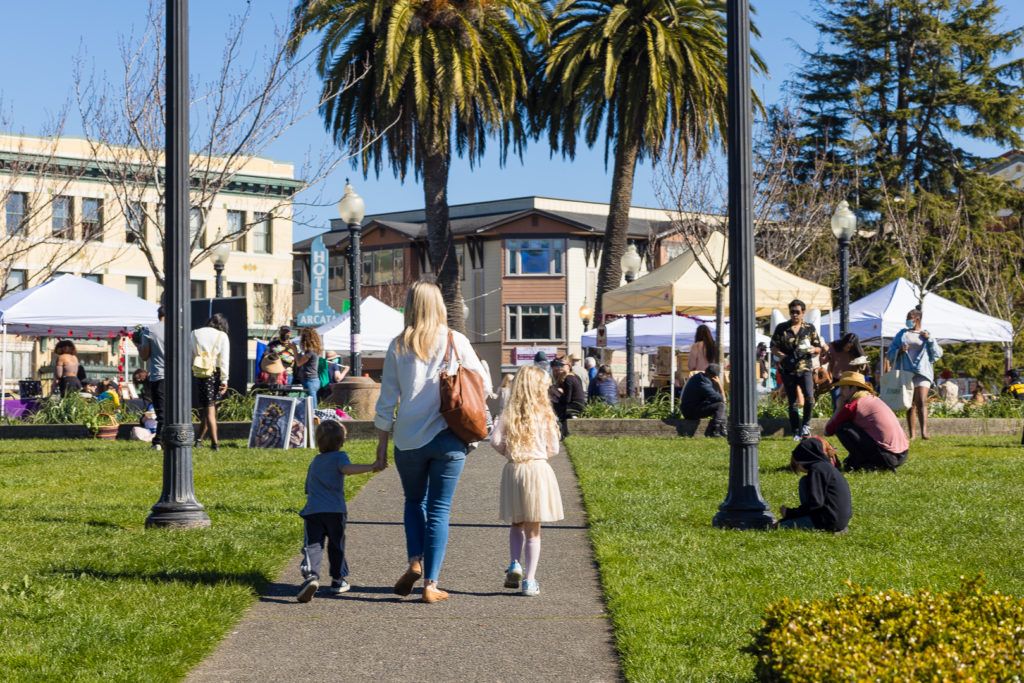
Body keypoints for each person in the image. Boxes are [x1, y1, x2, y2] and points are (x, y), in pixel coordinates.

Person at [373, 281, 491, 604]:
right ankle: (430, 584)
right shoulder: (456, 340)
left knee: (414, 502)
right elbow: (484, 384)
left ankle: (414, 559)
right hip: (449, 439)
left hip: (408, 439)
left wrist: (381, 446)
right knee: (440, 509)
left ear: (410, 306)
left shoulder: (398, 345)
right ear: (439, 305)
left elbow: (386, 402)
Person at [490, 365, 565, 597]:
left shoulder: (508, 414)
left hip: (514, 470)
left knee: (516, 523)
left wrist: (509, 453)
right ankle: (530, 581)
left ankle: (514, 563)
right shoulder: (545, 415)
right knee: (534, 530)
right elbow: (553, 448)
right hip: (537, 471)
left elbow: (495, 440)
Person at [296, 421, 381, 603]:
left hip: (313, 512)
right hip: (335, 511)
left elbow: (308, 489)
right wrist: (371, 467)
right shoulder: (340, 457)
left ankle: (311, 576)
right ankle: (338, 579)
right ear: (342, 442)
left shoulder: (315, 461)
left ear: (318, 442)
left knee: (313, 545)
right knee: (337, 545)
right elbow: (347, 470)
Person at [824, 371, 909, 472]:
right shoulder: (873, 399)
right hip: (902, 454)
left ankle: (865, 463)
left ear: (853, 388)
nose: (840, 392)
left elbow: (828, 431)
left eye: (843, 388)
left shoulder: (854, 405)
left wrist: (838, 408)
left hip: (887, 457)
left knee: (842, 427)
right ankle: (862, 461)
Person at [771, 299, 823, 441]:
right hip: (788, 369)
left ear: (803, 312)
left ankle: (806, 426)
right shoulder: (782, 328)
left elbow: (819, 347)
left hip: (805, 368)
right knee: (792, 401)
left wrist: (813, 349)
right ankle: (795, 431)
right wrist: (783, 357)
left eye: (797, 312)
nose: (794, 315)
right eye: (792, 312)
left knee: (809, 397)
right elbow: (773, 347)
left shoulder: (809, 328)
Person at [886, 307, 943, 439]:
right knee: (910, 403)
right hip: (906, 372)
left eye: (909, 319)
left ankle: (924, 432)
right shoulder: (902, 334)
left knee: (921, 401)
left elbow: (937, 353)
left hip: (922, 372)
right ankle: (912, 434)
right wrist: (899, 350)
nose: (907, 321)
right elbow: (890, 352)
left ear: (917, 319)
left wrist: (929, 340)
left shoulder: (926, 335)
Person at [776, 437, 852, 533]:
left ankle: (815, 523)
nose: (799, 469)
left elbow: (815, 503)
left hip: (828, 522)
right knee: (805, 481)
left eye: (797, 465)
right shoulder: (827, 468)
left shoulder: (817, 470)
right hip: (840, 521)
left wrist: (790, 513)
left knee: (779, 526)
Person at [191, 313, 230, 450]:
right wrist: (225, 379)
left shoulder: (195, 333)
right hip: (215, 373)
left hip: (201, 373)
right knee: (211, 411)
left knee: (208, 410)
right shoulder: (222, 336)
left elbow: (191, 354)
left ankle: (199, 440)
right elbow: (224, 360)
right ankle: (215, 444)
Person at [136, 306, 166, 450]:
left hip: (159, 375)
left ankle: (158, 442)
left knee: (161, 412)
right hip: (178, 378)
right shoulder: (180, 329)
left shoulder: (150, 330)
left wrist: (138, 345)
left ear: (159, 314)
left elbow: (144, 355)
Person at [680, 363, 727, 438]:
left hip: (690, 409)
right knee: (721, 405)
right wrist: (720, 385)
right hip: (690, 412)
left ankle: (721, 429)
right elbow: (722, 399)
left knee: (720, 405)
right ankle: (717, 431)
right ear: (714, 376)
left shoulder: (700, 378)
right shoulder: (703, 383)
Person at [823, 333, 866, 410]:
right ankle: (836, 419)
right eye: (846, 346)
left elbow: (863, 367)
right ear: (843, 343)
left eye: (850, 347)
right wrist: (823, 352)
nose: (848, 349)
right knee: (836, 402)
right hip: (837, 379)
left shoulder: (856, 351)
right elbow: (825, 361)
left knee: (850, 403)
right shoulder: (834, 347)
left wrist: (861, 364)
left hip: (851, 380)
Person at [550, 357, 586, 438]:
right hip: (580, 403)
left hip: (575, 405)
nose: (559, 368)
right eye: (558, 366)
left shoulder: (568, 378)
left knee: (556, 407)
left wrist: (557, 394)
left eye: (562, 365)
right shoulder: (575, 376)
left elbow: (567, 399)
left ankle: (562, 434)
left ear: (568, 366)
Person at [294, 328, 324, 409]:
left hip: (310, 380)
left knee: (312, 408)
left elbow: (299, 363)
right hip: (313, 380)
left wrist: (294, 350)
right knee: (310, 405)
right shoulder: (314, 350)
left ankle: (314, 421)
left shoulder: (310, 352)